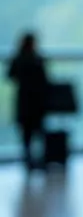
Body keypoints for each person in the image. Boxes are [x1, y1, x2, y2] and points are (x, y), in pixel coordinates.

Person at [7, 33, 48, 169]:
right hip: (35, 102)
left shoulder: (19, 59)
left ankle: (30, 161)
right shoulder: (37, 59)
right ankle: (38, 160)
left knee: (27, 135)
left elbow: (11, 76)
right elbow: (44, 79)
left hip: (26, 102)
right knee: (37, 133)